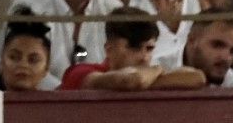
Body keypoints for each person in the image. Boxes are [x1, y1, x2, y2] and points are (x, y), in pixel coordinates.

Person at [56, 14, 204, 91]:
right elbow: (130, 81)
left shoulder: (149, 77)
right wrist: (157, 70)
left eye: (149, 48)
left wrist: (147, 79)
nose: (144, 57)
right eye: (134, 48)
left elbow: (197, 77)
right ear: (109, 50)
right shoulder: (80, 72)